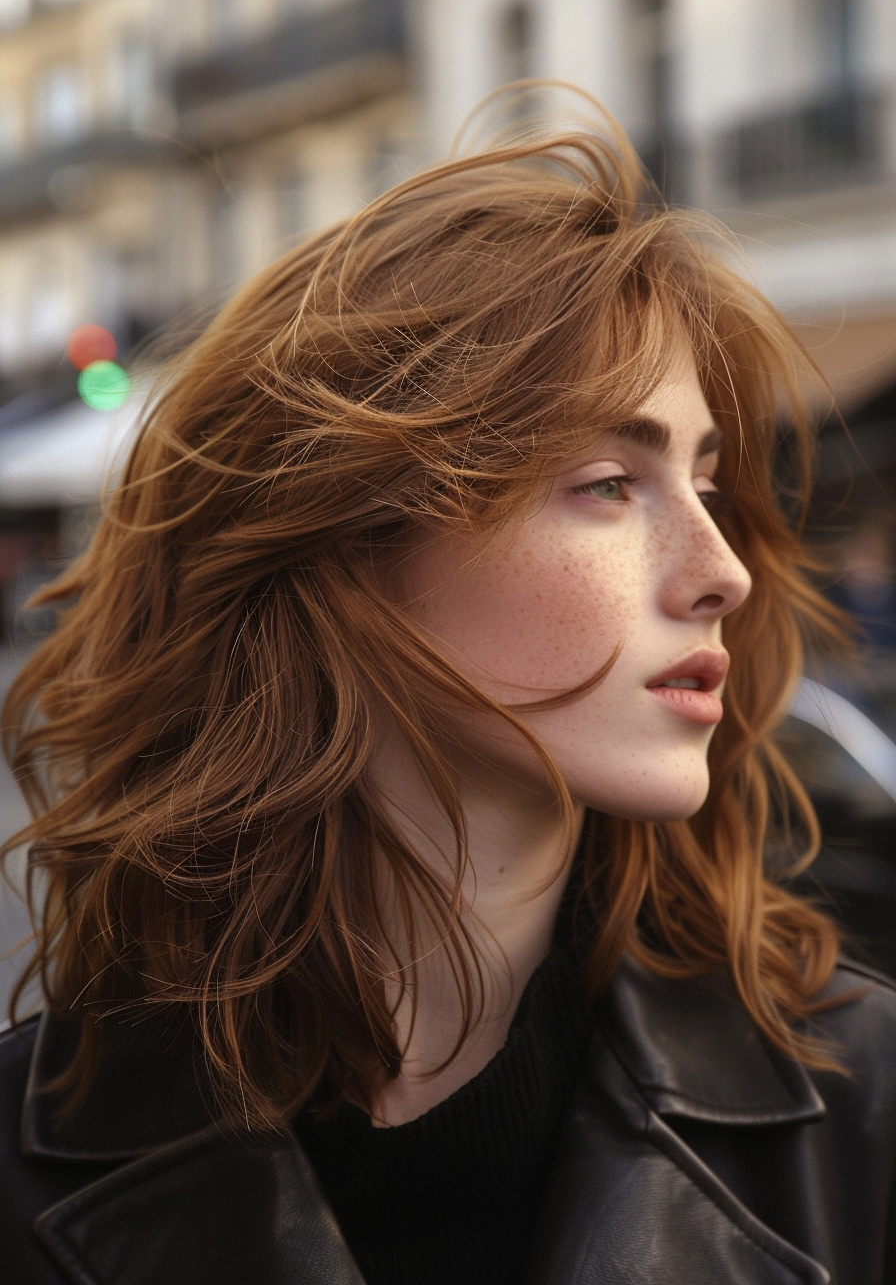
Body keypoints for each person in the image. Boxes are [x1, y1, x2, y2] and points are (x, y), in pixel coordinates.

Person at [2, 90, 896, 1285]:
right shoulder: (30, 1160)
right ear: (335, 546)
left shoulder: (863, 1112)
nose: (721, 570)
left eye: (705, 481)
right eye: (604, 485)